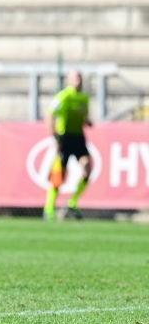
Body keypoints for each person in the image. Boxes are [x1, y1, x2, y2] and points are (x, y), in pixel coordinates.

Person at [44, 70, 93, 220]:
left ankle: (72, 203)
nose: (78, 80)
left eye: (80, 76)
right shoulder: (64, 96)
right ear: (69, 80)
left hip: (78, 137)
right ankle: (49, 208)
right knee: (59, 175)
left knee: (87, 167)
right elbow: (50, 114)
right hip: (65, 138)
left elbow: (83, 117)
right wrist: (55, 135)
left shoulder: (84, 98)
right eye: (75, 77)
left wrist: (87, 122)